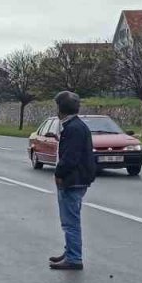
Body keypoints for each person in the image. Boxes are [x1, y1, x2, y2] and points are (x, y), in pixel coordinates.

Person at [49, 91, 97, 271]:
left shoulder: (73, 128)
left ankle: (74, 257)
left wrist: (59, 174)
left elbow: (70, 157)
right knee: (70, 220)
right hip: (78, 178)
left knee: (70, 222)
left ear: (61, 108)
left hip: (72, 180)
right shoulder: (76, 126)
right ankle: (70, 250)